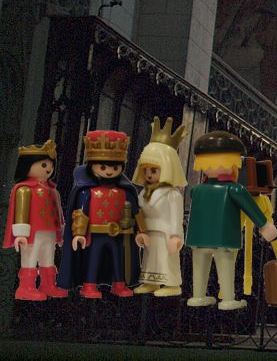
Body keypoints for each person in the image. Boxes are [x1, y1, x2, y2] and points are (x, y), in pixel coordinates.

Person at [186, 130, 277, 310]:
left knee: (200, 266)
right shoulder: (234, 189)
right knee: (225, 266)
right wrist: (265, 226)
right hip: (224, 238)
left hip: (198, 239)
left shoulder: (197, 190)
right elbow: (251, 209)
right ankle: (227, 299)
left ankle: (198, 296)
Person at [58, 130, 139, 297]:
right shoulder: (87, 192)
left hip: (118, 234)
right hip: (94, 234)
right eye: (103, 167)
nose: (109, 171)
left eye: (114, 167)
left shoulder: (124, 191)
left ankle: (119, 284)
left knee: (118, 259)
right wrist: (79, 234)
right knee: (92, 259)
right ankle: (89, 285)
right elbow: (81, 213)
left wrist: (140, 231)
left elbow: (135, 212)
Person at [3, 139, 67, 300]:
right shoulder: (24, 190)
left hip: (50, 231)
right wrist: (21, 233)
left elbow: (58, 213)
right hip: (33, 232)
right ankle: (26, 287)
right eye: (44, 165)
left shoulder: (53, 190)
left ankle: (48, 284)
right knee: (30, 257)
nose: (49, 169)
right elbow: (21, 212)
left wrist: (61, 231)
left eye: (50, 165)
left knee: (48, 257)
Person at [132, 117, 187, 297]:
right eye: (145, 170)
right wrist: (140, 231)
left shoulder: (172, 194)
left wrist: (175, 236)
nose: (148, 175)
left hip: (165, 232)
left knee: (167, 260)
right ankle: (151, 281)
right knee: (150, 259)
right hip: (149, 231)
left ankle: (172, 284)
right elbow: (139, 213)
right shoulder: (144, 192)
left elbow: (176, 218)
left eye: (154, 170)